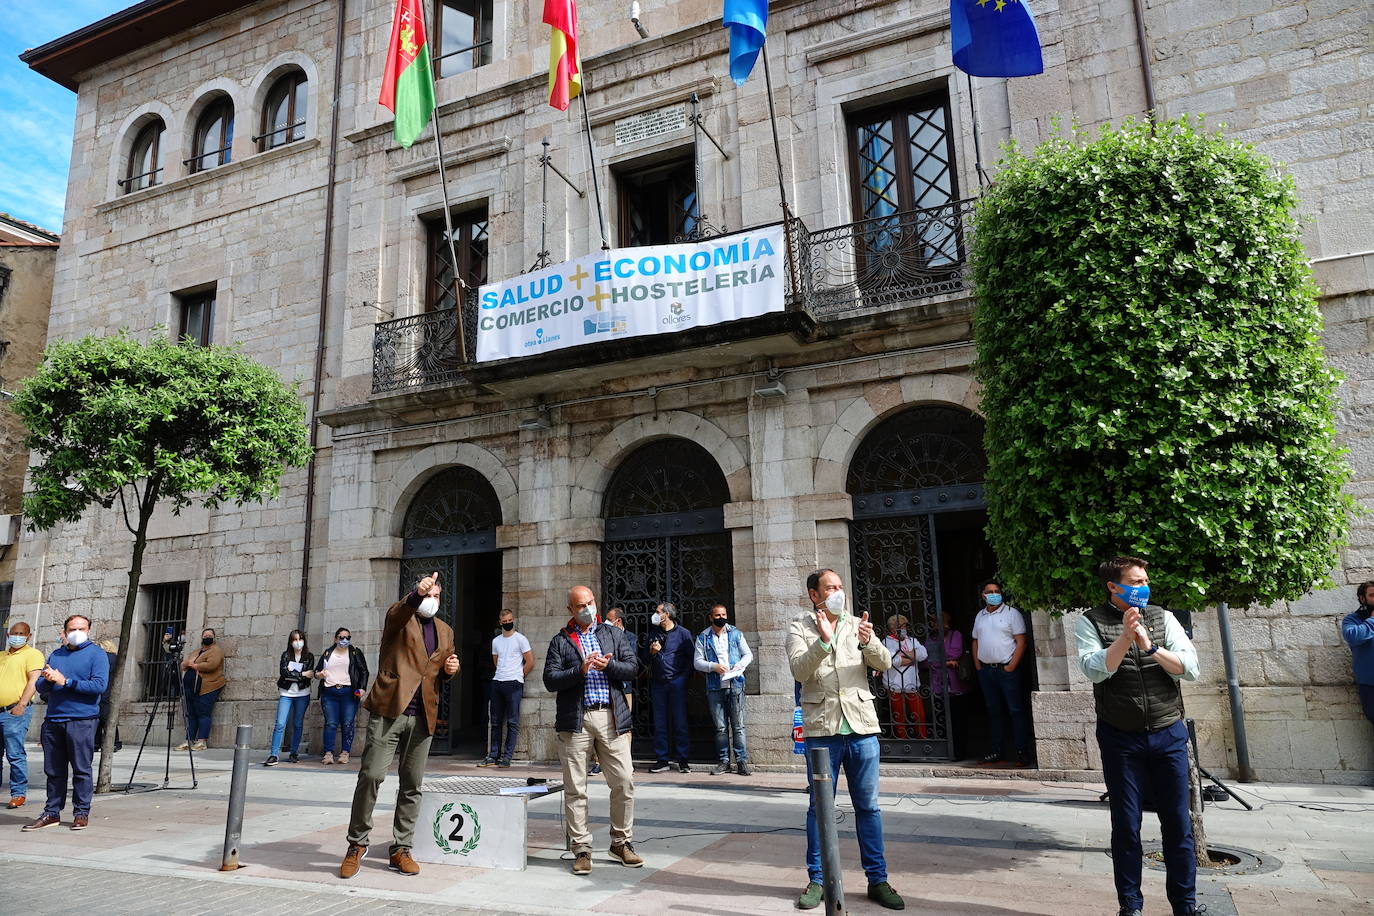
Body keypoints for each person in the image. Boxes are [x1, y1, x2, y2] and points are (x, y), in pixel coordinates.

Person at [1076, 556, 1202, 916]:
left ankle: (1185, 905)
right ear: (1113, 587)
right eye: (1136, 581)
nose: (1144, 587)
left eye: (1146, 580)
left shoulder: (1163, 618)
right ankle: (1131, 905)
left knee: (1178, 823)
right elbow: (1094, 670)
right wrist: (1124, 638)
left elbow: (1190, 668)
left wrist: (1148, 645)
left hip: (1168, 733)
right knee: (1127, 826)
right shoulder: (1091, 621)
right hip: (1121, 737)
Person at [787, 569, 903, 911]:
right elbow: (799, 671)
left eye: (840, 587)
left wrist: (869, 641)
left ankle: (878, 879)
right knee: (818, 808)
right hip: (823, 730)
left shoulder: (857, 624)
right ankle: (818, 880)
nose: (838, 592)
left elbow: (885, 662)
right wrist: (823, 641)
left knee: (868, 807)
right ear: (814, 594)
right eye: (830, 588)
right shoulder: (800, 627)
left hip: (862, 728)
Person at [341, 572, 459, 879]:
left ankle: (402, 848)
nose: (432, 600)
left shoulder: (446, 631)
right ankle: (356, 844)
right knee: (371, 775)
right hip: (389, 708)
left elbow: (436, 673)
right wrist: (415, 596)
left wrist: (449, 670)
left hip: (423, 715)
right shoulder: (400, 618)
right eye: (427, 594)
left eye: (436, 596)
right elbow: (398, 611)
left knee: (412, 784)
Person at [543, 585, 643, 875]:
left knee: (623, 780)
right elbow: (550, 679)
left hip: (611, 717)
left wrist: (609, 667)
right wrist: (580, 671)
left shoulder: (613, 634)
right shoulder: (561, 641)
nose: (588, 608)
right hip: (576, 721)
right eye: (580, 605)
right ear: (571, 610)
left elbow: (634, 667)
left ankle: (621, 842)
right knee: (576, 788)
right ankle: (582, 849)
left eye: (590, 602)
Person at [24, 615, 109, 831]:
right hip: (54, 720)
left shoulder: (97, 654)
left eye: (82, 628)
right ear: (65, 631)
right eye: (73, 628)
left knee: (81, 769)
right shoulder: (56, 654)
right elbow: (41, 687)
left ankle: (81, 812)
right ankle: (52, 812)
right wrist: (49, 680)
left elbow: (98, 686)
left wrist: (66, 682)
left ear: (89, 630)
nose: (77, 632)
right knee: (54, 771)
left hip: (82, 720)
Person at [971, 581, 1032, 766]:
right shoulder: (979, 616)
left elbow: (1021, 641)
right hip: (986, 671)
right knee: (994, 711)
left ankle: (1022, 752)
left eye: (997, 591)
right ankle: (997, 751)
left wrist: (1011, 665)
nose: (994, 594)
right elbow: (975, 641)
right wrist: (978, 666)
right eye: (990, 592)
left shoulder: (1012, 613)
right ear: (983, 595)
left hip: (1006, 670)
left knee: (1015, 710)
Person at [693, 603, 753, 775]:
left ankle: (741, 761)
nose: (721, 618)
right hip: (715, 686)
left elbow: (748, 654)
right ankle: (724, 761)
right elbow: (697, 662)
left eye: (724, 615)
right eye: (718, 616)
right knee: (720, 727)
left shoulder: (736, 634)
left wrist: (739, 666)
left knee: (739, 726)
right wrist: (713, 666)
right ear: (711, 617)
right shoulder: (703, 637)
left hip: (735, 685)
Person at [479, 609, 533, 768]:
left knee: (512, 722)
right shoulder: (496, 641)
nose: (508, 623)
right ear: (500, 622)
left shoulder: (521, 639)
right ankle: (493, 756)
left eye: (510, 620)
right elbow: (496, 661)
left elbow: (530, 661)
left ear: (513, 619)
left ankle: (507, 757)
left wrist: (519, 675)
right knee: (495, 721)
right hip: (497, 682)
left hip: (514, 683)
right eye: (505, 621)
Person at [645, 602, 694, 773]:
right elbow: (644, 659)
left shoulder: (683, 634)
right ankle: (662, 759)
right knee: (660, 722)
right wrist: (652, 652)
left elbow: (691, 659)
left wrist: (682, 679)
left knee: (680, 721)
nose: (655, 614)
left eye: (658, 612)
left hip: (676, 682)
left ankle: (683, 759)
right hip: (658, 683)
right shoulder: (653, 634)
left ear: (666, 614)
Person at [1, 621, 44, 809]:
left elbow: (33, 680)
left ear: (28, 636)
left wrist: (22, 704)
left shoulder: (32, 654)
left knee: (15, 754)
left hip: (14, 711)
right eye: (13, 633)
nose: (16, 636)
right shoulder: (1, 656)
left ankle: (18, 793)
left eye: (21, 633)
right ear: (8, 635)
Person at [316, 626, 369, 765]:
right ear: (335, 638)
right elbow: (317, 671)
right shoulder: (328, 653)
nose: (345, 640)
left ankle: (345, 752)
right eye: (342, 637)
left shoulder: (355, 652)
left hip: (348, 692)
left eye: (348, 638)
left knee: (347, 723)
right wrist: (319, 675)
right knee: (331, 723)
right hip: (329, 692)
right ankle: (328, 753)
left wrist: (362, 688)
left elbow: (364, 671)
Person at [265, 630, 314, 766]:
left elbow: (310, 673)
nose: (298, 642)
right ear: (290, 642)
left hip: (302, 694)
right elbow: (284, 673)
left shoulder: (309, 656)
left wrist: (295, 673)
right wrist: (302, 674)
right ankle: (273, 754)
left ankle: (294, 752)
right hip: (286, 693)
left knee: (297, 724)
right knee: (280, 723)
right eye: (295, 639)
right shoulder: (286, 655)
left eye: (300, 639)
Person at [924, 611, 970, 756]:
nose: (935, 625)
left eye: (937, 621)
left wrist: (939, 661)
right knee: (941, 719)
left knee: (958, 720)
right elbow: (927, 660)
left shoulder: (955, 635)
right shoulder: (931, 639)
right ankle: (945, 752)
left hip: (956, 685)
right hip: (938, 685)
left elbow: (955, 654)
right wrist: (945, 662)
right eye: (932, 622)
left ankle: (960, 751)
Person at [176, 627, 225, 751]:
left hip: (207, 687)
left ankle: (202, 741)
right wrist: (189, 664)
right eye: (205, 635)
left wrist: (194, 665)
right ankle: (189, 740)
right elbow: (183, 664)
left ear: (213, 638)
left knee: (203, 713)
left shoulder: (216, 651)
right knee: (191, 714)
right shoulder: (196, 651)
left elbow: (211, 665)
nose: (207, 637)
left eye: (209, 636)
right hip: (190, 688)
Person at [882, 614, 928, 740]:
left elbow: (923, 654)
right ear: (892, 628)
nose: (903, 628)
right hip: (895, 686)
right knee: (899, 718)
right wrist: (912, 657)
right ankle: (903, 743)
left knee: (919, 715)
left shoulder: (912, 640)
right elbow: (889, 660)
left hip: (912, 685)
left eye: (904, 626)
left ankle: (923, 741)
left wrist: (902, 656)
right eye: (899, 626)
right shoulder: (886, 642)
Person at [1343, 582, 1374, 729]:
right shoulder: (1353, 620)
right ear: (1362, 599)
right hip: (1370, 685)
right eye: (1372, 595)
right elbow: (1353, 637)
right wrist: (1373, 620)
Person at [94, 638, 122, 755]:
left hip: (102, 692)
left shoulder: (105, 658)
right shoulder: (116, 658)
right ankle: (112, 742)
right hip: (110, 691)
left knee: (101, 718)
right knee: (107, 719)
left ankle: (97, 743)